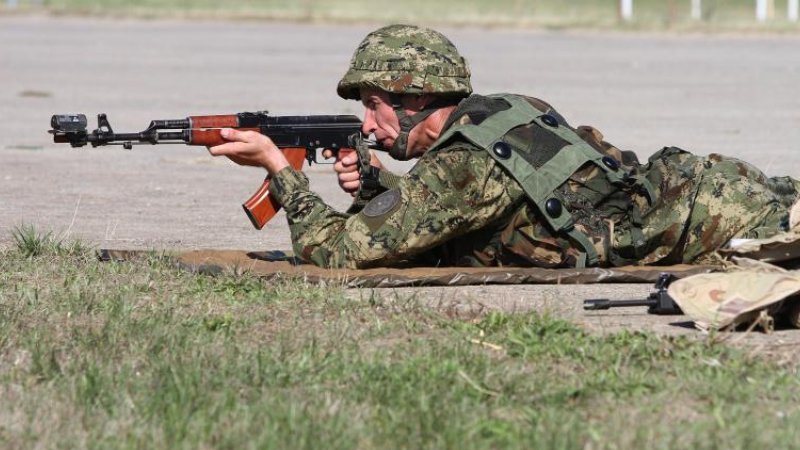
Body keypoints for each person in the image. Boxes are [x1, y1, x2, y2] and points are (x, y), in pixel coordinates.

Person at [209, 24, 800, 269]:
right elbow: (497, 199)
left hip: (712, 222)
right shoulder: (508, 111)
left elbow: (333, 255)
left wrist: (276, 170)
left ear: (413, 97)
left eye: (373, 103)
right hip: (703, 187)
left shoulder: (460, 168)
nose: (367, 124)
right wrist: (377, 187)